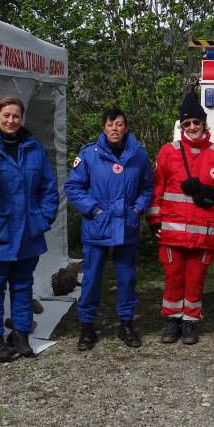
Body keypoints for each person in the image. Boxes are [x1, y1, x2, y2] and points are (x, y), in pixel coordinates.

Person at [0, 97, 59, 363]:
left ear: (22, 118)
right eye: (6, 115)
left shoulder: (34, 148)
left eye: (16, 116)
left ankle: (21, 333)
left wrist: (43, 218)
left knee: (22, 285)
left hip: (28, 232)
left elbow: (49, 188)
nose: (11, 120)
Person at [147, 93, 214, 345]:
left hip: (204, 235)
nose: (192, 127)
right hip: (172, 233)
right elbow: (156, 190)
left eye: (196, 122)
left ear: (204, 124)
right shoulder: (168, 152)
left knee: (196, 280)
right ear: (182, 126)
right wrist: (154, 222)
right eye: (187, 123)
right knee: (173, 278)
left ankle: (190, 322)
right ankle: (172, 321)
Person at [65, 108, 153, 350]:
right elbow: (73, 187)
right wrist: (94, 210)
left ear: (126, 128)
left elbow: (147, 188)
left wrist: (137, 209)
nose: (115, 128)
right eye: (110, 124)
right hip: (98, 227)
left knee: (127, 278)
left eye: (120, 124)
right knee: (91, 279)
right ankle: (87, 327)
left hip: (126, 227)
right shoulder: (89, 155)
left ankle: (126, 324)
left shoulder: (138, 155)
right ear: (103, 128)